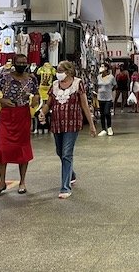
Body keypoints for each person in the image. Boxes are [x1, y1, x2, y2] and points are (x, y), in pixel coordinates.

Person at [39, 60, 97, 199]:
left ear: (69, 72)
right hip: (57, 124)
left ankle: (65, 187)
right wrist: (43, 112)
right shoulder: (54, 85)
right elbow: (49, 103)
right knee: (60, 151)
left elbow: (84, 105)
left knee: (66, 154)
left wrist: (91, 125)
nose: (58, 74)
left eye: (60, 71)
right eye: (57, 71)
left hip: (72, 124)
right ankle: (71, 174)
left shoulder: (78, 84)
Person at [0, 53, 39, 196]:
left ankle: (22, 181)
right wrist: (2, 101)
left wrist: (35, 99)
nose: (22, 65)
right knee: (3, 149)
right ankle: (2, 181)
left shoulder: (32, 79)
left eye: (24, 62)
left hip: (23, 115)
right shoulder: (5, 77)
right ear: (14, 63)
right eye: (19, 62)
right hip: (7, 115)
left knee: (23, 148)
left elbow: (36, 94)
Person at [95, 62, 116, 136]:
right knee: (102, 114)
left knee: (107, 112)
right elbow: (97, 85)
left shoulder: (111, 77)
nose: (101, 67)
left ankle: (109, 128)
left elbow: (115, 85)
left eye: (103, 66)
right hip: (100, 97)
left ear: (106, 68)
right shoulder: (98, 77)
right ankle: (103, 129)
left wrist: (109, 90)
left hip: (108, 98)